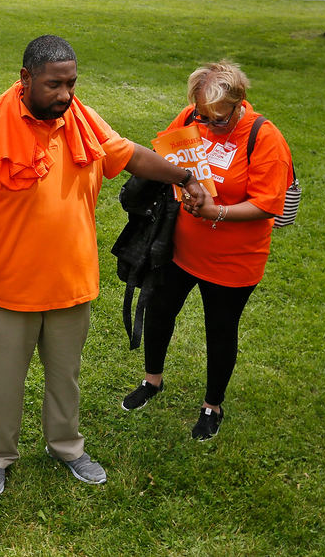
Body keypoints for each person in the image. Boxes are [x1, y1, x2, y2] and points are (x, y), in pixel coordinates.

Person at [0, 36, 207, 495]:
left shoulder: (80, 121)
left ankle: (66, 445)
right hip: (10, 291)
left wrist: (184, 175)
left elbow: (129, 156)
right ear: (25, 79)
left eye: (71, 83)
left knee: (65, 379)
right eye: (54, 85)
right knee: (4, 384)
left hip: (71, 286)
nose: (65, 95)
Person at [121, 61, 292, 441]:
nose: (208, 125)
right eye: (202, 116)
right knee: (160, 311)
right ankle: (152, 381)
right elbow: (164, 152)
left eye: (218, 119)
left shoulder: (264, 137)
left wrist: (216, 211)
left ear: (239, 102)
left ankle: (212, 405)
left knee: (220, 329)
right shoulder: (190, 116)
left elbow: (267, 204)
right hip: (179, 247)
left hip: (234, 259)